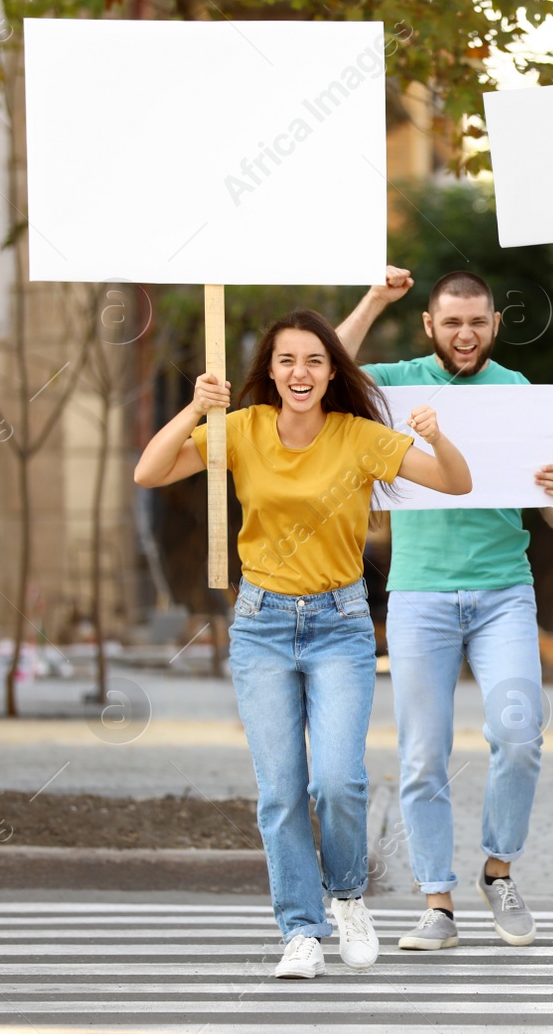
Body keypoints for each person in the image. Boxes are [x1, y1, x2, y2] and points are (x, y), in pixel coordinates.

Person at [133, 310, 472, 980]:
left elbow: (455, 483)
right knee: (281, 791)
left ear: (331, 371)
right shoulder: (245, 429)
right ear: (270, 370)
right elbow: (150, 471)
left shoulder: (357, 437)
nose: (300, 373)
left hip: (339, 624)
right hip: (260, 624)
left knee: (338, 780)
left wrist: (439, 435)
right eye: (287, 360)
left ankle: (347, 897)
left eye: (314, 361)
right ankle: (301, 929)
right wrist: (198, 410)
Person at [334, 267, 553, 952]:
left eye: (477, 322)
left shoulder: (519, 393)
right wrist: (375, 298)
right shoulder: (400, 382)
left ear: (494, 326)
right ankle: (436, 903)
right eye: (452, 322)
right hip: (419, 593)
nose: (465, 334)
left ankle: (498, 872)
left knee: (520, 734)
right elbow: (323, 366)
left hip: (504, 587)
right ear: (430, 326)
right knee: (421, 755)